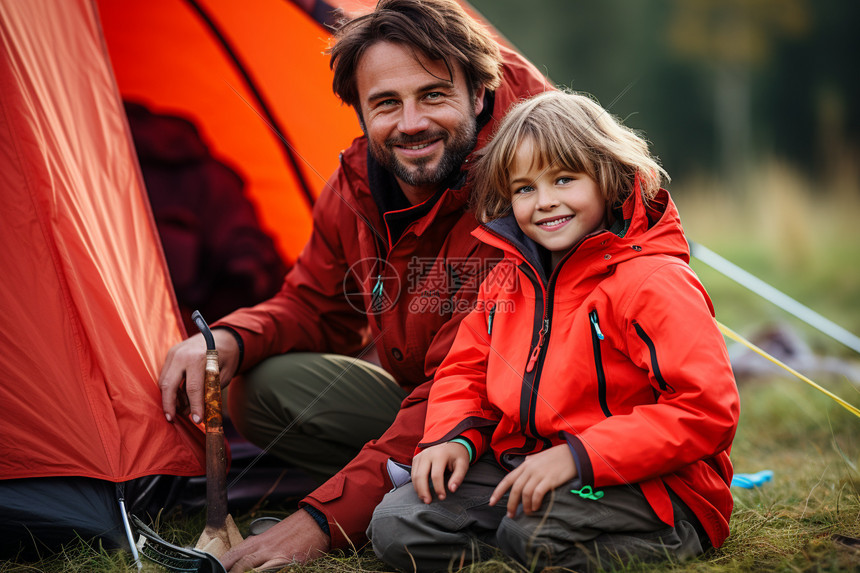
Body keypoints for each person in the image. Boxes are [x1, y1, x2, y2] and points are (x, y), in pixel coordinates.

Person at [156, 0, 550, 570]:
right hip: (424, 401)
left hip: (514, 420)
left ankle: (430, 496)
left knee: (413, 496)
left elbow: (466, 393)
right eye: (386, 103)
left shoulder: (523, 194)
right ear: (360, 110)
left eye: (433, 95)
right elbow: (311, 304)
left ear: (478, 94)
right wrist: (226, 341)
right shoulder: (356, 184)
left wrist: (318, 522)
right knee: (258, 385)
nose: (410, 123)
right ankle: (396, 481)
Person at [367, 90, 740, 572]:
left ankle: (658, 541)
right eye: (524, 188)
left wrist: (580, 457)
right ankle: (525, 552)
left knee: (534, 532)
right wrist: (452, 437)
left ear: (607, 177)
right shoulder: (506, 277)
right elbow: (465, 372)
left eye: (564, 180)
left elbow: (705, 409)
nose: (544, 203)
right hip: (525, 464)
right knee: (397, 523)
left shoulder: (653, 281)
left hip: (655, 486)